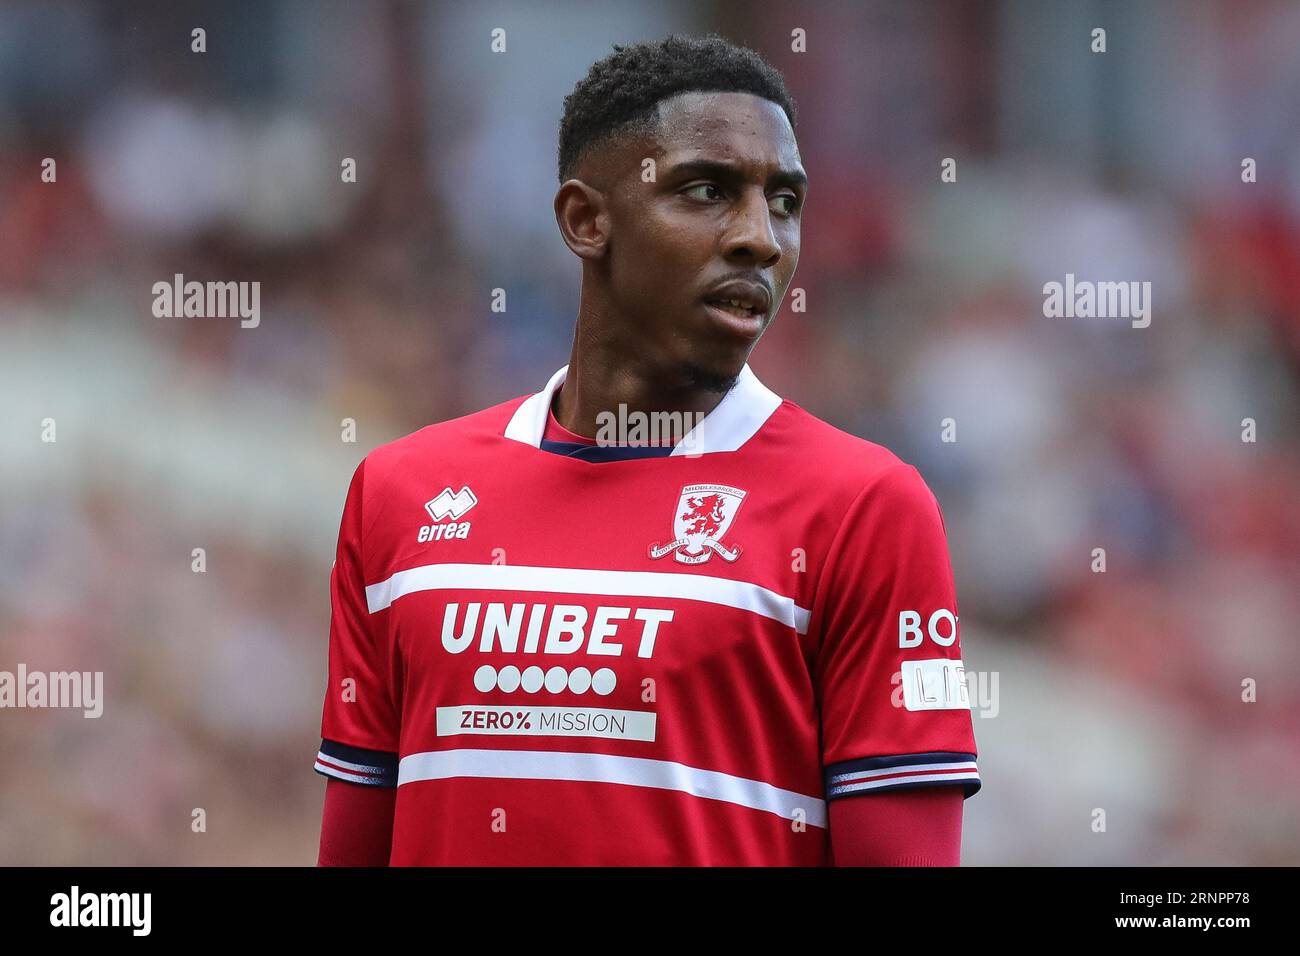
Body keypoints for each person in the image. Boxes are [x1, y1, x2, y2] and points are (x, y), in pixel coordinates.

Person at [315, 33, 979, 866]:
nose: (760, 239)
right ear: (586, 220)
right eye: (708, 190)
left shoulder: (865, 507)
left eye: (783, 201)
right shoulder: (400, 492)